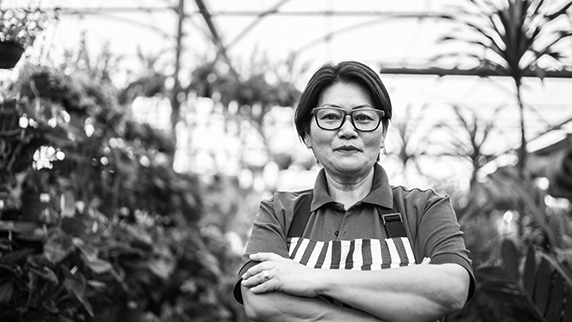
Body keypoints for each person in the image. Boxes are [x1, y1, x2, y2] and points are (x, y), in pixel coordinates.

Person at [233, 61, 475, 322]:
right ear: (306, 134)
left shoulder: (424, 208)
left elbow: (452, 287)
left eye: (363, 118)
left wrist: (313, 279)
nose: (348, 130)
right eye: (330, 117)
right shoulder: (280, 212)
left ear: (383, 134)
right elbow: (259, 300)